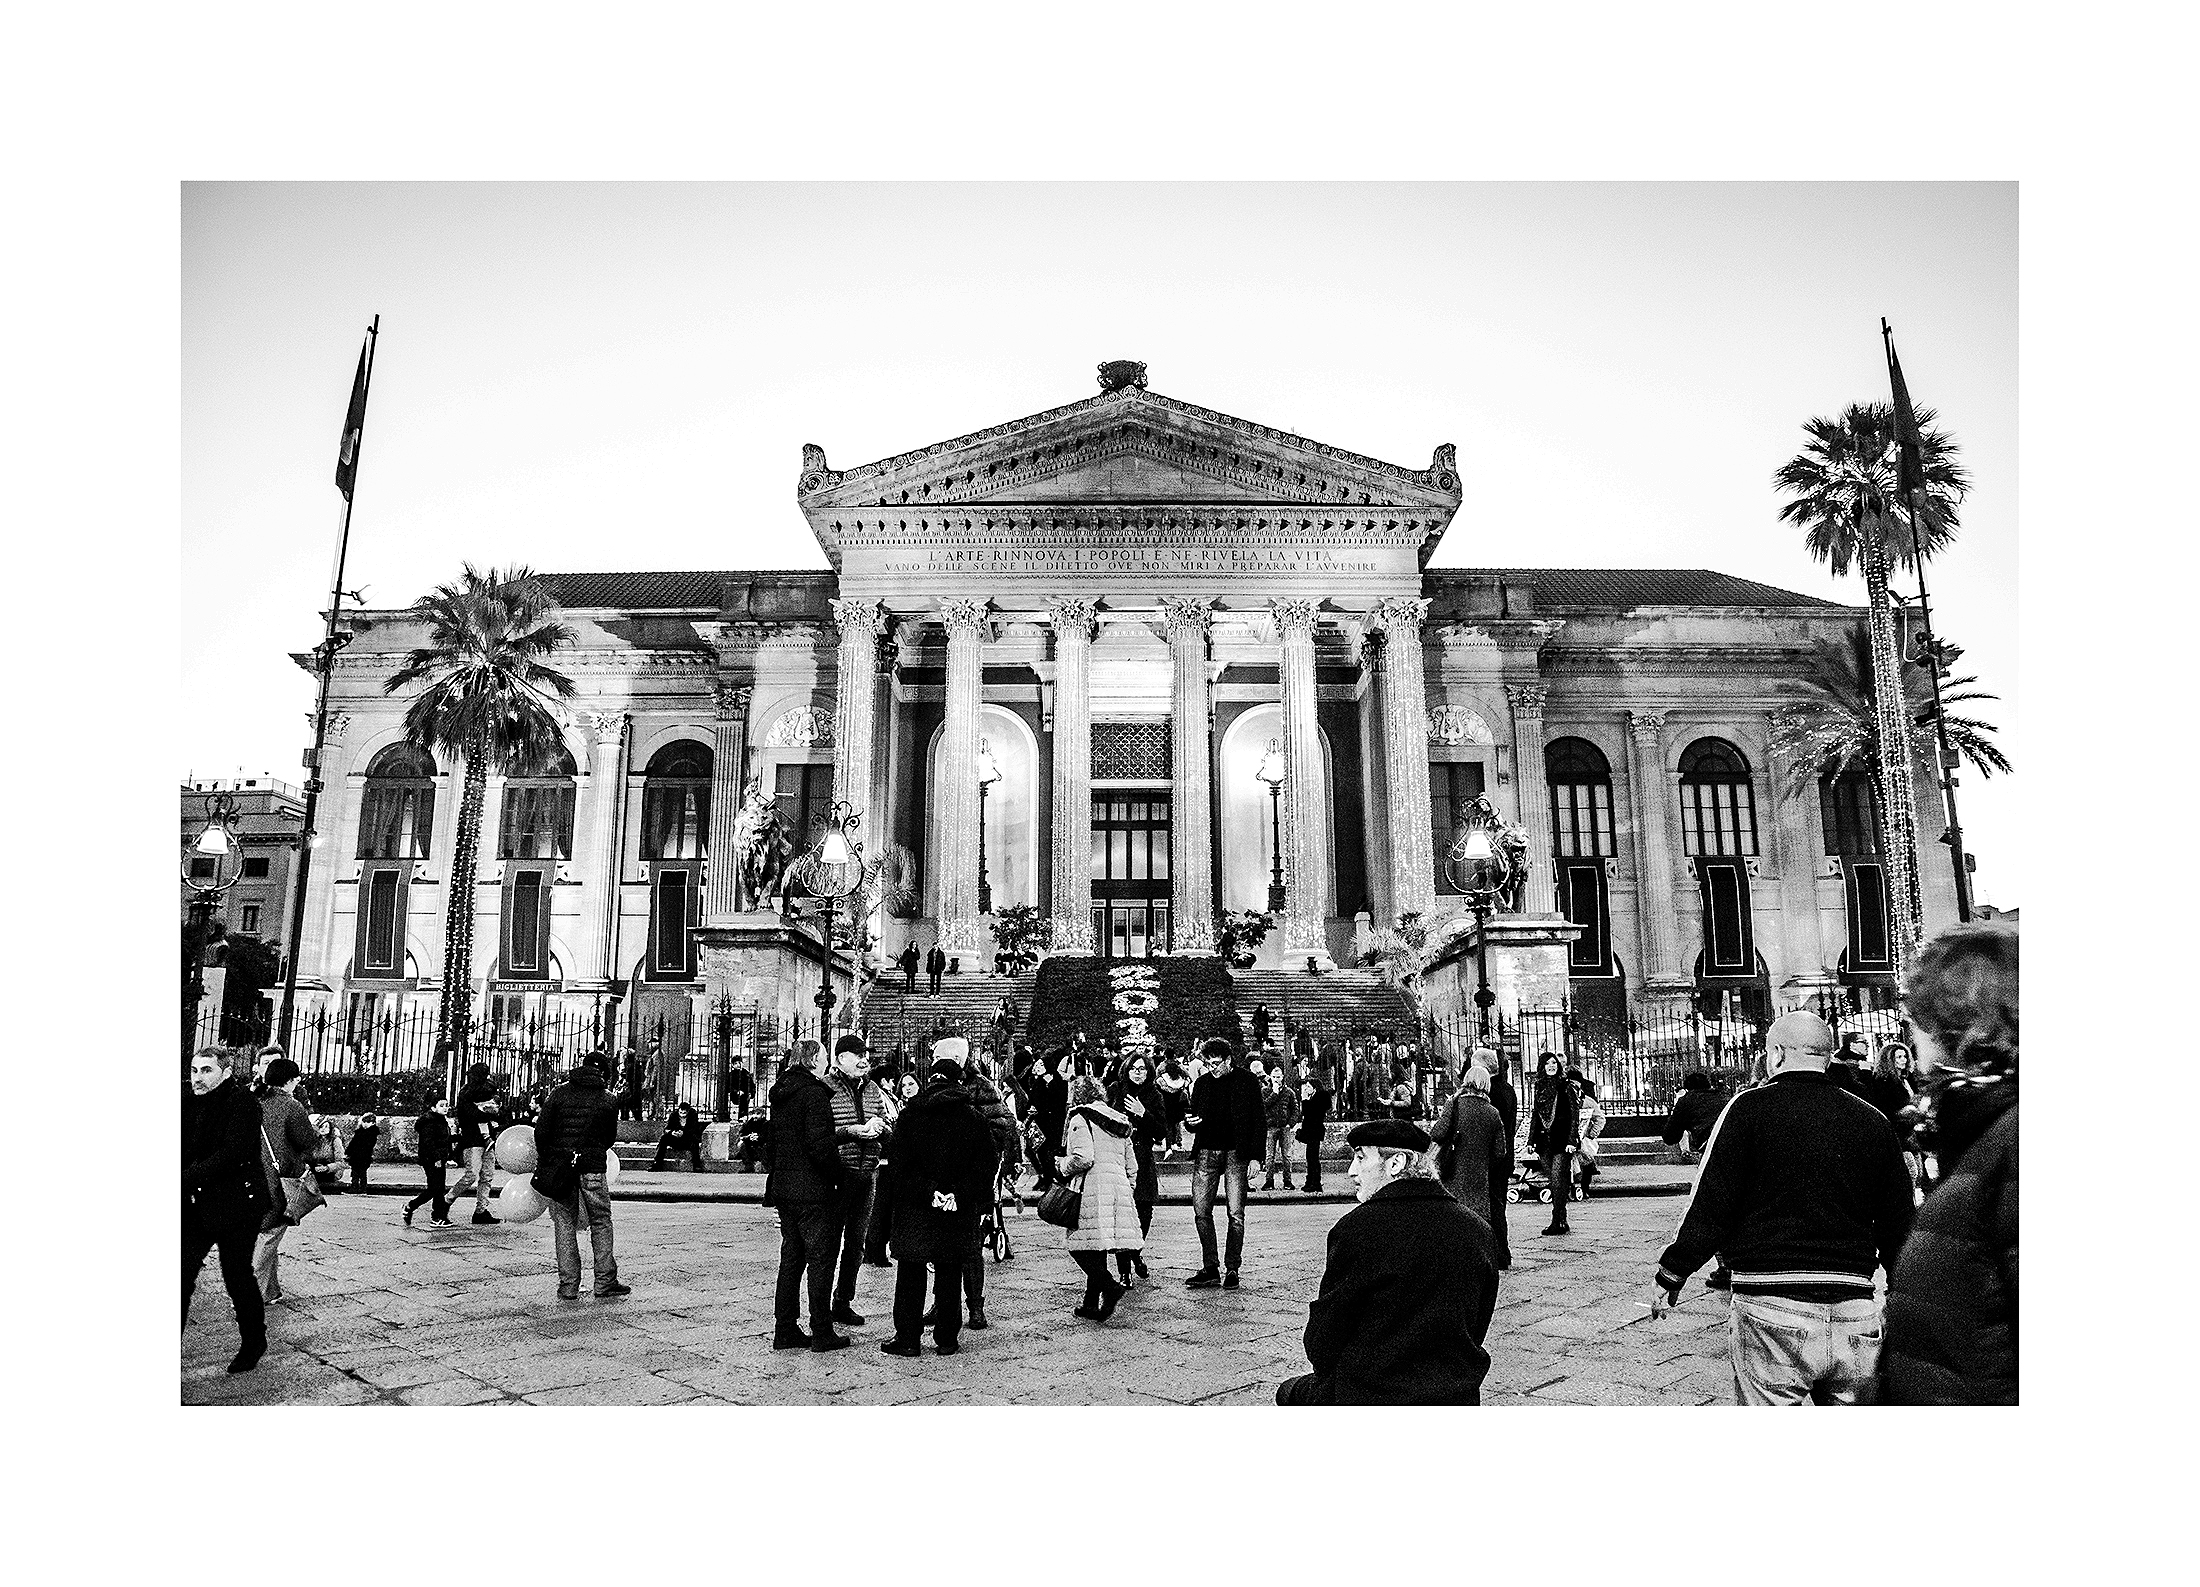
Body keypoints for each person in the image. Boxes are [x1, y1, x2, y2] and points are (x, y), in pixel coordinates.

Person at [1649, 1010, 1915, 1405]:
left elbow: (1712, 1201)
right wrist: (1901, 1295)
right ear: (1826, 1057)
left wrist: (1673, 1271)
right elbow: (1899, 1222)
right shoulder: (1872, 1120)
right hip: (1855, 1308)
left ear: (1775, 1054)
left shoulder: (1747, 1110)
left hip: (1771, 1309)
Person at [1878, 922, 2019, 1404]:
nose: (1910, 1036)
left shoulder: (2015, 1140)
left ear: (1953, 1025)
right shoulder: (1981, 1127)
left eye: (1915, 1019)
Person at [1275, 1121, 1498, 1405]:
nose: (1351, 1171)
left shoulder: (1357, 1229)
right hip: (1455, 1393)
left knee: (1288, 1393)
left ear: (1396, 1163)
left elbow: (1323, 1341)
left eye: (1360, 1157)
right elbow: (1477, 1325)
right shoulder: (1478, 1230)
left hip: (1372, 1392)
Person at [880, 1054, 999, 1357]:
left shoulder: (910, 1115)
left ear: (931, 1079)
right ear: (959, 1081)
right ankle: (947, 1337)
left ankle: (907, 1338)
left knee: (911, 1271)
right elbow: (985, 1166)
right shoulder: (974, 1118)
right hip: (957, 1208)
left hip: (917, 1207)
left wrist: (929, 1193)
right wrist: (957, 1195)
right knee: (950, 1270)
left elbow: (899, 1168)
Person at [184, 1047, 272, 1374]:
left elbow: (232, 1153)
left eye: (206, 1070)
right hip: (196, 1203)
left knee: (236, 1275)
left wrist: (184, 1177)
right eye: (194, 1070)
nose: (198, 1078)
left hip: (238, 1205)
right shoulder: (186, 1100)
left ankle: (253, 1341)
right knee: (180, 1276)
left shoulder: (242, 1103)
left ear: (225, 1071)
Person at [762, 1038, 849, 1351]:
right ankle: (822, 1330)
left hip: (785, 1187)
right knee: (821, 1261)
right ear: (813, 1060)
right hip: (813, 1190)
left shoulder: (782, 1092)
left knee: (791, 1260)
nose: (827, 1062)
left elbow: (772, 1143)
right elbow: (820, 1145)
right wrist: (839, 1177)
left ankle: (784, 1328)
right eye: (824, 1056)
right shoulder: (813, 1093)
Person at [534, 1053, 629, 1301]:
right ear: (604, 1073)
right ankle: (605, 1282)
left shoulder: (559, 1093)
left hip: (561, 1167)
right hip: (592, 1167)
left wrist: (552, 1157)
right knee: (600, 1222)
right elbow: (609, 1137)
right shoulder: (608, 1099)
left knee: (564, 1222)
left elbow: (542, 1131)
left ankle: (568, 1286)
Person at [1057, 1075, 1142, 1321]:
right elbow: (1132, 1165)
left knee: (1079, 1246)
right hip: (1119, 1187)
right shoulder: (1119, 1120)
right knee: (1098, 1245)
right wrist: (1128, 1189)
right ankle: (1090, 1303)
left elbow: (1083, 1158)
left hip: (1092, 1188)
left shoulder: (1080, 1117)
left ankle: (1110, 1287)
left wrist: (1062, 1165)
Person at [823, 1034, 893, 1329]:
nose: (865, 1058)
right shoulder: (825, 1088)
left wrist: (881, 1129)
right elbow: (821, 1131)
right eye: (857, 1054)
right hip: (839, 1172)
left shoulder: (873, 1088)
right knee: (828, 1242)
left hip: (869, 1171)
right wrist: (852, 1131)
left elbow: (888, 1124)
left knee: (856, 1242)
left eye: (866, 1053)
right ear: (840, 1059)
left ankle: (843, 1301)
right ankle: (820, 1302)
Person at [1185, 1038, 1267, 1289]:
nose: (1212, 1068)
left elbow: (1258, 1120)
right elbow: (1192, 1116)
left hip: (1236, 1152)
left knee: (1236, 1214)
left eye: (1217, 1063)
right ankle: (1210, 1267)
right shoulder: (1201, 1083)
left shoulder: (1247, 1081)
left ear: (1229, 1060)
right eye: (1208, 1063)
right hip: (1207, 1150)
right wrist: (1190, 1123)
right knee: (1201, 1211)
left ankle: (1232, 1267)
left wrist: (1256, 1157)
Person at [253, 1058, 324, 1303]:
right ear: (289, 1081)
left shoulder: (254, 1101)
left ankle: (270, 1290)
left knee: (265, 1230)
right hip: (278, 1179)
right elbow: (306, 1142)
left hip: (251, 1176)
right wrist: (317, 1133)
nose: (299, 1082)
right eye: (296, 1078)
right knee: (269, 1233)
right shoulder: (291, 1105)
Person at [1430, 1064, 1509, 1245]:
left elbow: (1438, 1134)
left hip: (1453, 1170)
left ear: (1466, 1081)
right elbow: (1500, 1152)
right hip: (1479, 1175)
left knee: (1453, 1211)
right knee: (1477, 1215)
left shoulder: (1455, 1104)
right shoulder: (1493, 1113)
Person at [1108, 1054, 1163, 1281]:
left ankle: (1135, 1252)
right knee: (1121, 1214)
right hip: (1119, 1157)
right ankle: (1124, 1272)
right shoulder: (1115, 1090)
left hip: (1142, 1158)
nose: (1138, 1072)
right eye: (1134, 1068)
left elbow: (1161, 1132)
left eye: (1142, 1068)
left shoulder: (1154, 1094)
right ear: (1126, 1070)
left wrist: (1143, 1113)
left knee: (1144, 1212)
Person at [1524, 1053, 1579, 1236]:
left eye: (1554, 1062)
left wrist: (1572, 1140)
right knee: (1555, 1180)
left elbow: (1574, 1115)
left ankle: (1557, 1220)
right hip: (1544, 1141)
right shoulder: (1539, 1086)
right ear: (1542, 1066)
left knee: (1557, 1179)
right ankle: (1562, 1219)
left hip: (1562, 1140)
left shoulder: (1566, 1086)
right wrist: (1530, 1140)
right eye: (1547, 1063)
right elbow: (1535, 1114)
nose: (1551, 1066)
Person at [449, 1062, 503, 1223]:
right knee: (471, 1175)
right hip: (472, 1139)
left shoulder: (487, 1089)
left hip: (486, 1140)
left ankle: (481, 1210)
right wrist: (489, 1114)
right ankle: (446, 1200)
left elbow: (495, 1111)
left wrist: (490, 1113)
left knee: (487, 1175)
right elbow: (471, 1115)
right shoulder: (466, 1093)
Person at [1479, 1048, 1517, 1267]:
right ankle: (1501, 1251)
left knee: (1493, 1205)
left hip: (1494, 1157)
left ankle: (1499, 1252)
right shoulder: (1508, 1090)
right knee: (1498, 1205)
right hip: (1505, 1156)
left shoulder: (1491, 1093)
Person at [403, 1098, 457, 1227]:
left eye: (447, 1105)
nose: (445, 1108)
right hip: (432, 1160)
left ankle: (438, 1216)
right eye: (441, 1105)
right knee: (434, 1188)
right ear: (433, 1108)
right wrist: (437, 1158)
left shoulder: (440, 1120)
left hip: (438, 1158)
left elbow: (443, 1140)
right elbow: (428, 1143)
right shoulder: (430, 1122)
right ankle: (410, 1206)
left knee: (439, 1188)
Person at [1660, 1071, 1726, 1160]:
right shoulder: (1724, 1097)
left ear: (1687, 1089)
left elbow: (1670, 1137)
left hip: (1712, 1145)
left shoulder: (1686, 1101)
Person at [1029, 1048, 1070, 1192]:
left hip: (1053, 1123)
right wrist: (1033, 1108)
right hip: (1040, 1122)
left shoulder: (1058, 1081)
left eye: (1041, 1065)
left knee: (1050, 1152)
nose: (1037, 1067)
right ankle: (1045, 1177)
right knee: (1039, 1151)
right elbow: (1034, 1099)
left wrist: (1050, 1084)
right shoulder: (1037, 1082)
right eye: (1037, 1064)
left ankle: (1052, 1179)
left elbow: (1059, 1100)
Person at [1298, 1043, 1335, 1192]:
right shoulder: (1317, 1098)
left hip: (1314, 1131)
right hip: (1312, 1131)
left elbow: (1308, 1113)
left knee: (1313, 1158)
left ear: (1314, 1087)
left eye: (1308, 1086)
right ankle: (1311, 1181)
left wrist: (1305, 1099)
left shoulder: (1317, 1099)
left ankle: (1315, 1182)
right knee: (1310, 1158)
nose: (1306, 1088)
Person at [1260, 1063, 1300, 1190]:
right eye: (1274, 1077)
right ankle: (1269, 1181)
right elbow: (1263, 1106)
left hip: (1284, 1127)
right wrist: (1274, 1093)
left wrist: (1290, 1123)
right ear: (1270, 1077)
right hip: (1271, 1126)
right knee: (1270, 1156)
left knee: (1286, 1156)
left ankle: (1287, 1180)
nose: (1276, 1079)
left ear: (1282, 1077)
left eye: (1278, 1077)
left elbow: (1295, 1109)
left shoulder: (1289, 1092)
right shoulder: (1265, 1091)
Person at [1857, 1041, 1915, 1129]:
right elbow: (1883, 1108)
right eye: (1899, 1057)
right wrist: (1902, 1112)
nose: (1904, 1060)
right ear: (1889, 1060)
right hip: (1897, 1126)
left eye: (1905, 1056)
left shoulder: (1907, 1077)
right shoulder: (1883, 1081)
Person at [1570, 1070, 1605, 1198]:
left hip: (1584, 1138)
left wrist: (1591, 1134)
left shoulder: (1588, 1101)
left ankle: (1584, 1188)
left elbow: (1600, 1118)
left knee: (1585, 1159)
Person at [653, 1100, 706, 1171]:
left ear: (688, 1112)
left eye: (684, 1113)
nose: (682, 1115)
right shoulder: (674, 1115)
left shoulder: (693, 1116)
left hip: (687, 1140)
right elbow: (667, 1128)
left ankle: (696, 1165)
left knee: (694, 1141)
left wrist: (684, 1133)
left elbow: (694, 1130)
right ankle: (657, 1163)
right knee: (664, 1139)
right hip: (675, 1139)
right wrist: (672, 1132)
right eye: (680, 1113)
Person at [344, 1112, 380, 1190]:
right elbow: (353, 1143)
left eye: (368, 1122)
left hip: (364, 1156)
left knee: (362, 1172)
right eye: (364, 1122)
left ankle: (362, 1187)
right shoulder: (359, 1132)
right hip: (355, 1156)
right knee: (354, 1172)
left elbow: (369, 1145)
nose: (365, 1124)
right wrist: (348, 1152)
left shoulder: (372, 1133)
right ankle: (354, 1186)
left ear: (373, 1123)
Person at [619, 1048, 646, 1122]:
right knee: (637, 1107)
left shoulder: (629, 1065)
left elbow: (628, 1077)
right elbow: (642, 1076)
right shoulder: (637, 1064)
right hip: (637, 1088)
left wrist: (623, 1075)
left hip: (630, 1088)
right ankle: (638, 1117)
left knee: (626, 1105)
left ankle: (625, 1118)